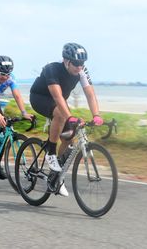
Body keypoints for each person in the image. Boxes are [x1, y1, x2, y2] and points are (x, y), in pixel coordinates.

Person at [29, 43, 104, 196]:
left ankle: (56, 176)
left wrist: (96, 115)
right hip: (40, 98)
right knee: (60, 114)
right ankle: (50, 151)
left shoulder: (82, 71)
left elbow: (90, 94)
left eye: (82, 64)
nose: (79, 67)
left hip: (59, 103)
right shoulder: (52, 69)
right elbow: (57, 96)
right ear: (66, 60)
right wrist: (70, 117)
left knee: (69, 138)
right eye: (76, 63)